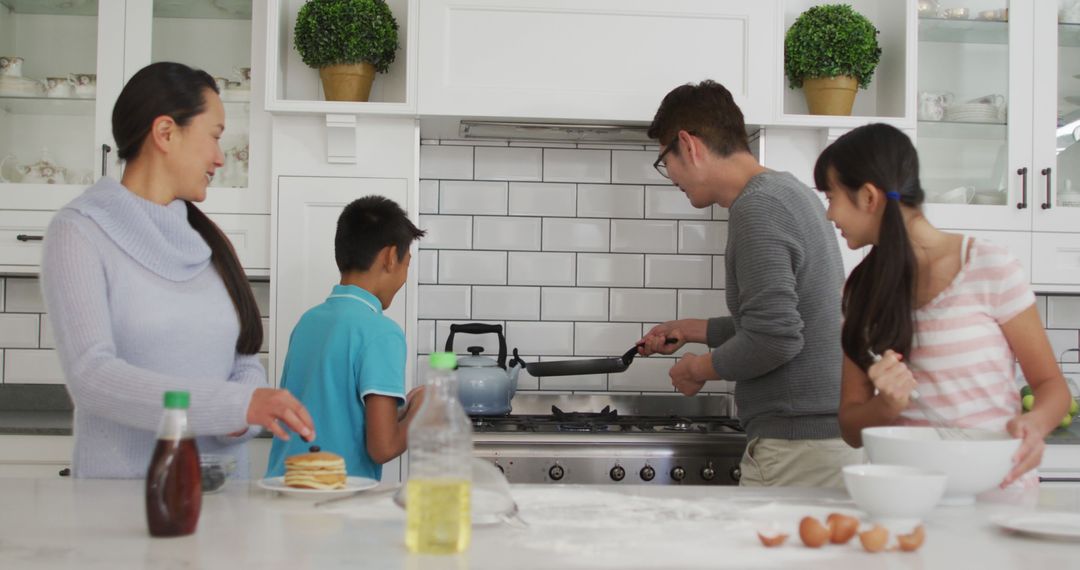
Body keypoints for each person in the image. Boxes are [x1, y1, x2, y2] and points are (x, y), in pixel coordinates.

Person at [40, 62, 314, 478]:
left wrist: (240, 415)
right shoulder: (80, 231)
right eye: (215, 137)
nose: (221, 159)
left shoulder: (208, 243)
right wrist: (234, 405)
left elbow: (243, 362)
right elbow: (92, 377)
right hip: (123, 510)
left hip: (220, 503)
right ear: (166, 132)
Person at [814, 123, 1071, 487]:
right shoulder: (861, 292)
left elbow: (1051, 385)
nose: (829, 215)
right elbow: (851, 429)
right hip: (907, 502)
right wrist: (886, 405)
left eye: (831, 197)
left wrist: (1036, 422)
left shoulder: (989, 266)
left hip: (996, 499)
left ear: (869, 197)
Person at [637, 80, 863, 487]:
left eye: (664, 161)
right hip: (816, 441)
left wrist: (698, 370)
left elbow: (774, 337)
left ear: (688, 145)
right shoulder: (788, 191)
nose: (669, 176)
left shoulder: (759, 208)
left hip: (798, 449)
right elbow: (795, 319)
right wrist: (694, 330)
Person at [265, 196, 427, 480]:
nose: (404, 277)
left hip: (286, 487)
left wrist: (401, 411)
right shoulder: (383, 333)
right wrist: (424, 411)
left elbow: (334, 413)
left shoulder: (308, 322)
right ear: (390, 258)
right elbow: (383, 447)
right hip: (336, 502)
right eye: (406, 263)